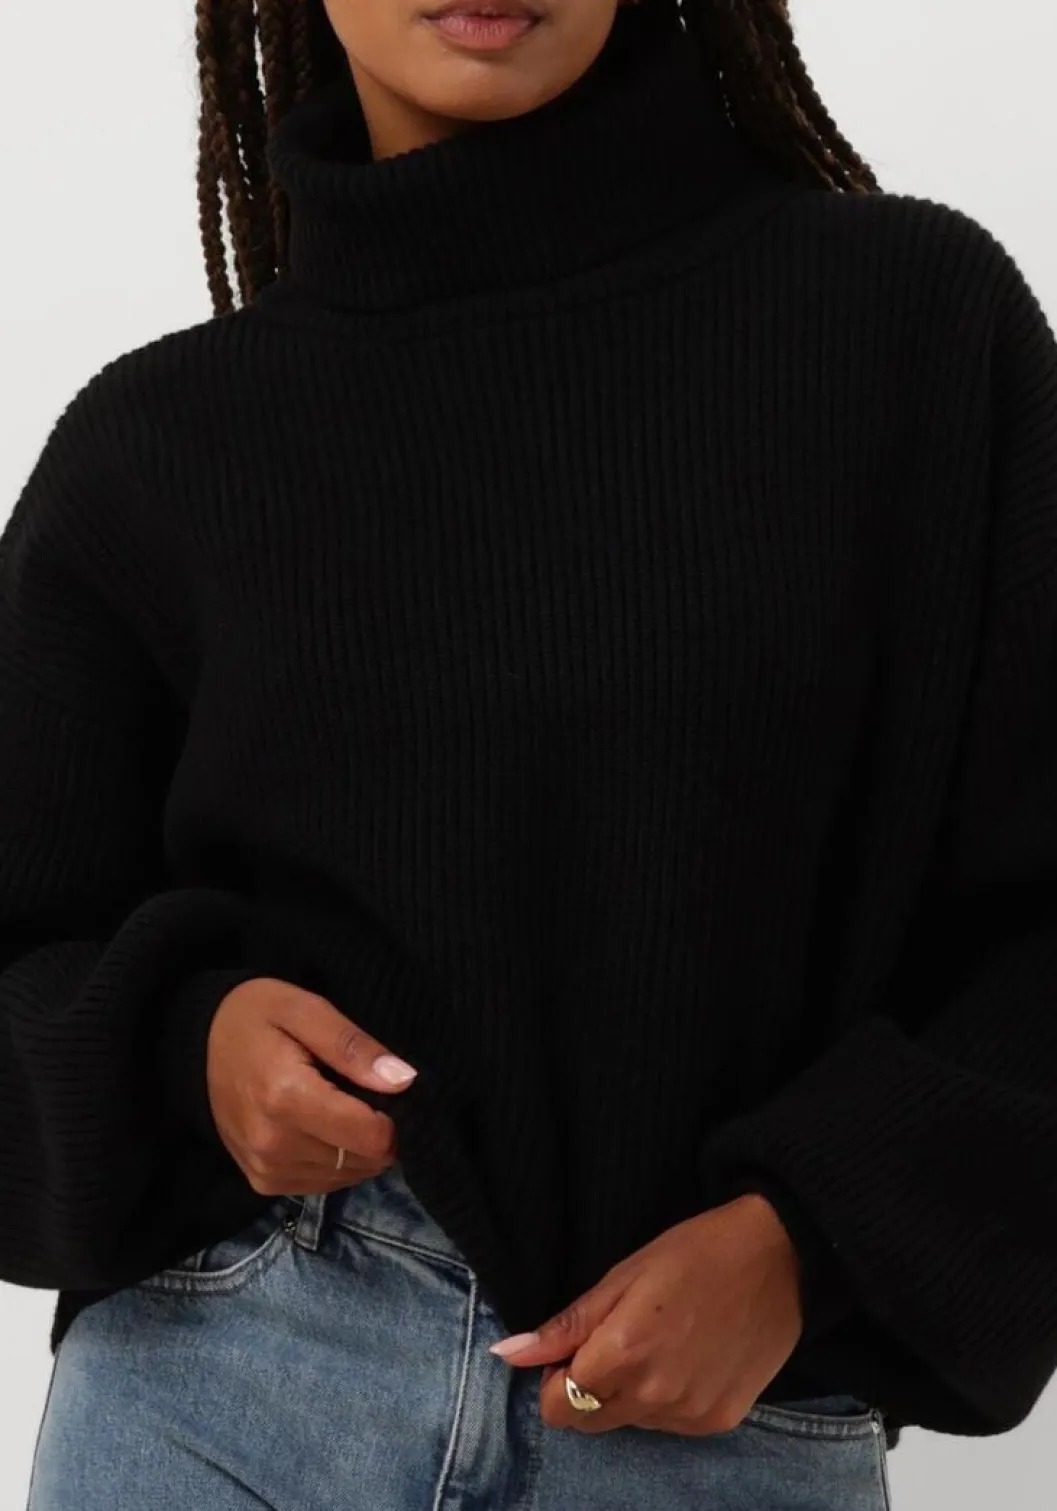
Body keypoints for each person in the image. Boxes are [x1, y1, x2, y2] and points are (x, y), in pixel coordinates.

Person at [3, 0, 1057, 1504]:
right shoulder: (157, 446)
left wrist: (808, 1239)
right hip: (222, 1400)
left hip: (718, 1432)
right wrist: (191, 1045)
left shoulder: (910, 330)